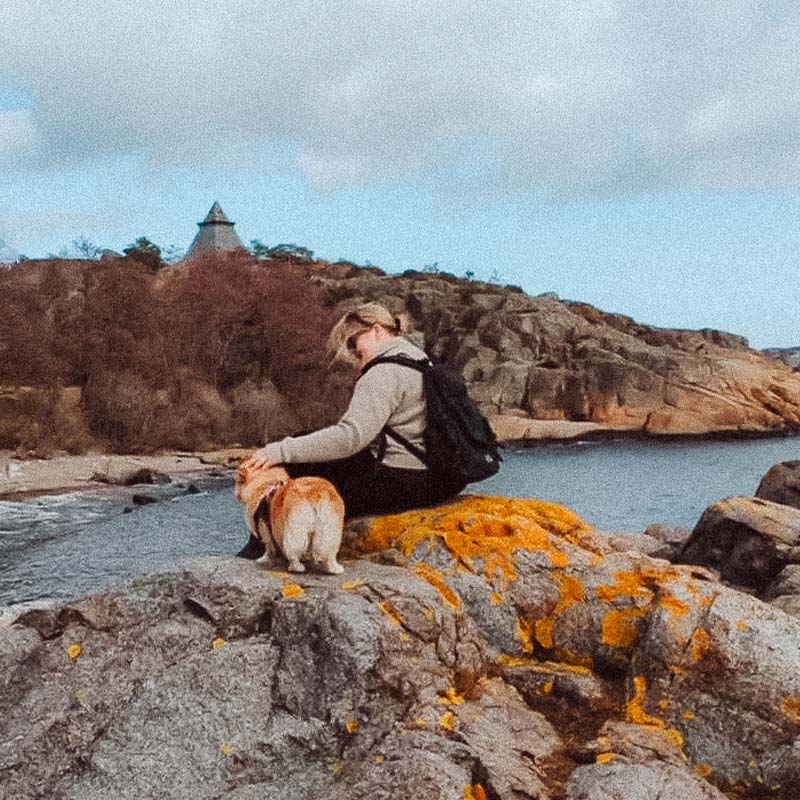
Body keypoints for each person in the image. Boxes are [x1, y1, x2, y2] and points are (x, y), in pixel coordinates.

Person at [238, 302, 466, 558]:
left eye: (356, 349)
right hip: (437, 481)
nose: (357, 362)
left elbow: (351, 437)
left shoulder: (383, 372)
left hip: (403, 481)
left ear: (377, 330)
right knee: (312, 457)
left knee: (296, 469)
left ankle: (261, 548)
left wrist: (281, 450)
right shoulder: (421, 360)